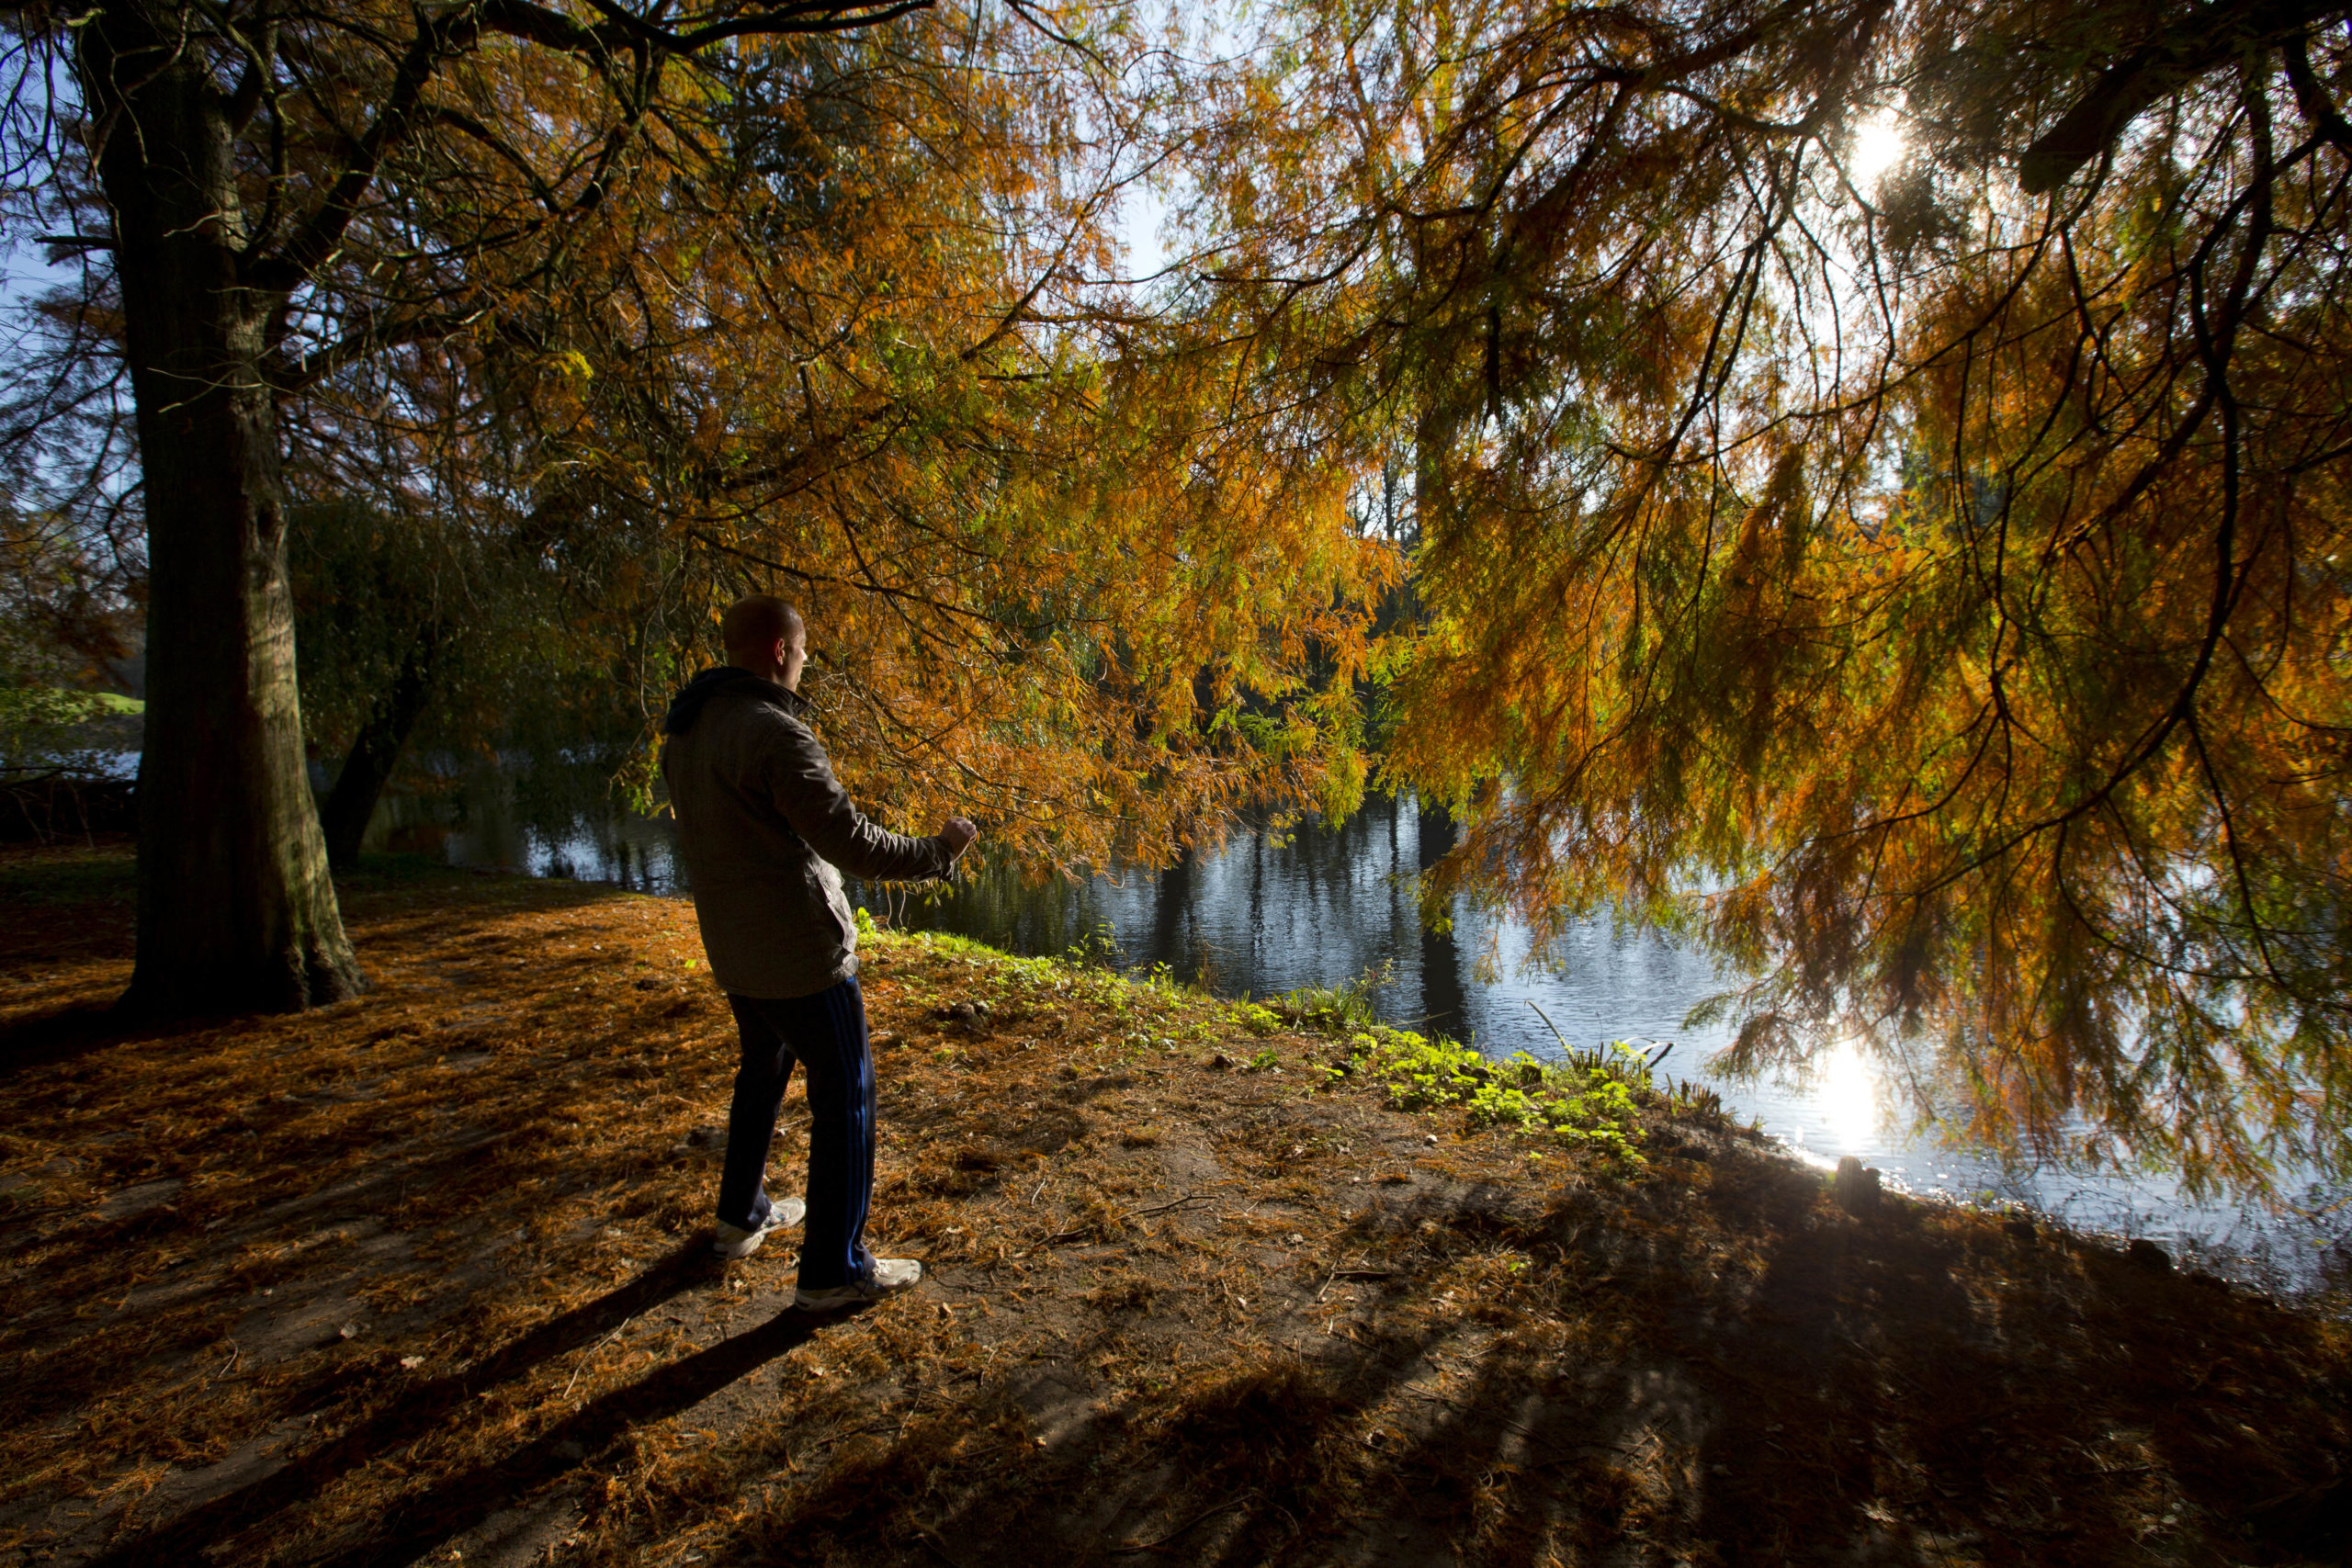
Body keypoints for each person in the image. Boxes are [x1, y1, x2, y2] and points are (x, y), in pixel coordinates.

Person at [660, 593, 978, 1311]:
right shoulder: (772, 733)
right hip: (801, 956)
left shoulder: (687, 729)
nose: (804, 666)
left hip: (736, 954)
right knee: (847, 1098)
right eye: (802, 654)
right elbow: (853, 843)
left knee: (763, 1069)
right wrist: (939, 851)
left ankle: (740, 1213)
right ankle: (834, 1270)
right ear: (779, 650)